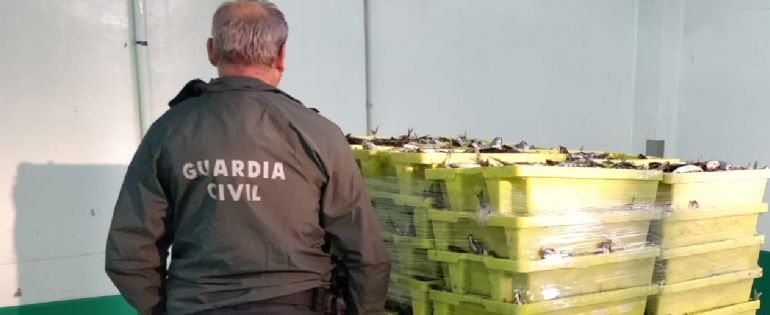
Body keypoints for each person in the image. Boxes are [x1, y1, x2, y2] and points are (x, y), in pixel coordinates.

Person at [105, 1, 390, 314]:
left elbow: (129, 253)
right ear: (281, 55)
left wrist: (166, 308)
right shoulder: (319, 134)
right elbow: (366, 252)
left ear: (211, 50)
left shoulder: (169, 132)